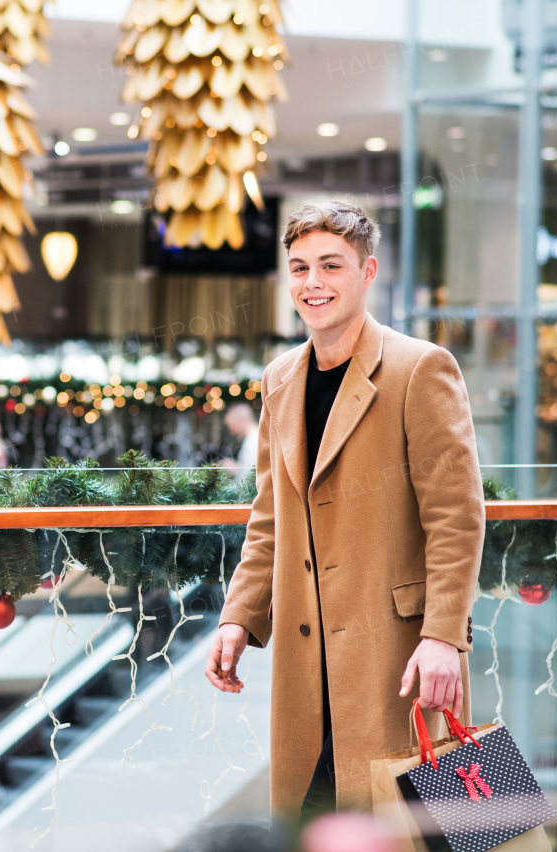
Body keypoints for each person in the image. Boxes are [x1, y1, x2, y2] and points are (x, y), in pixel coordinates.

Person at [203, 201, 484, 821]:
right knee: (316, 819)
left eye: (331, 265)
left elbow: (457, 518)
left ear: (367, 271)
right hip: (307, 661)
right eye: (300, 268)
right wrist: (239, 616)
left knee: (405, 822)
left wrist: (442, 636)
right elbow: (270, 515)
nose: (313, 283)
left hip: (397, 655)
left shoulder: (420, 369)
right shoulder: (280, 379)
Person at [219, 402, 259, 481]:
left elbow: (251, 475)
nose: (230, 430)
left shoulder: (253, 441)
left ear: (241, 421)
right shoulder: (252, 438)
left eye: (231, 425)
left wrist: (235, 469)